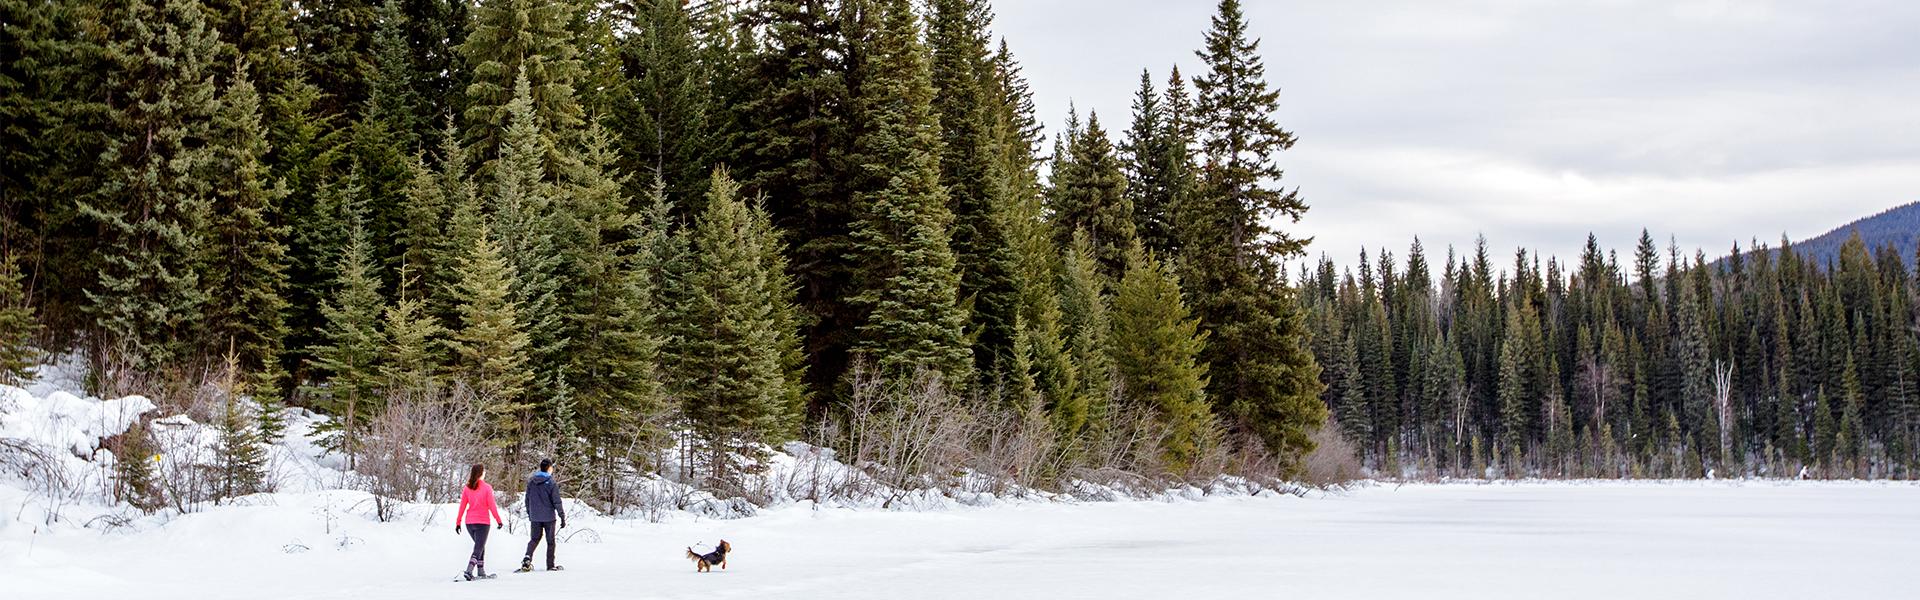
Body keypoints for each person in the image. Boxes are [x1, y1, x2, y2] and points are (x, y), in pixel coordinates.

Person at [455, 463, 505, 580]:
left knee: (480, 546)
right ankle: (469, 570)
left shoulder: (467, 488)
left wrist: (458, 522)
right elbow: (492, 506)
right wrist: (499, 520)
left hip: (469, 523)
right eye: (484, 471)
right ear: (481, 473)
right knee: (478, 548)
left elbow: (462, 506)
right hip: (482, 522)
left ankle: (481, 571)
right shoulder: (487, 488)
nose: (485, 473)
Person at [520, 457, 568, 572]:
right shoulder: (551, 483)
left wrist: (530, 513)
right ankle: (550, 565)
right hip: (549, 517)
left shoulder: (532, 481)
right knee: (550, 541)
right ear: (549, 468)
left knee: (534, 539)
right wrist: (562, 516)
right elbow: (556, 501)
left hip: (535, 516)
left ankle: (527, 557)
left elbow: (527, 499)